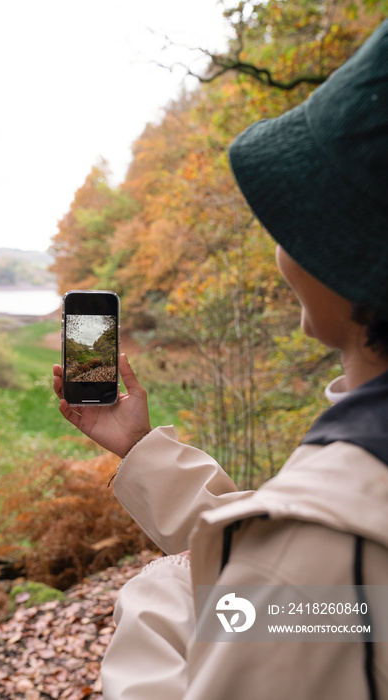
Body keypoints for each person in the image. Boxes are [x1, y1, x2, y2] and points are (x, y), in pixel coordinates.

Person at [53, 20, 388, 700]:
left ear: (353, 258)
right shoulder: (346, 499)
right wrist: (144, 450)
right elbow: (302, 551)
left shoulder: (323, 552)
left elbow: (297, 570)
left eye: (298, 218)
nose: (278, 241)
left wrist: (162, 598)